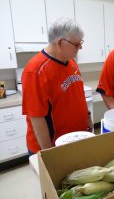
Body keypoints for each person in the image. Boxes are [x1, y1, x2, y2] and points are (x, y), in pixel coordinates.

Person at [22, 18, 93, 154]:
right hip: (52, 147)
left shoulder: (71, 63)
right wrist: (50, 154)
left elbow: (78, 95)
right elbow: (37, 118)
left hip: (74, 139)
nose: (80, 48)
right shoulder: (36, 71)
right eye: (77, 45)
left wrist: (88, 118)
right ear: (61, 43)